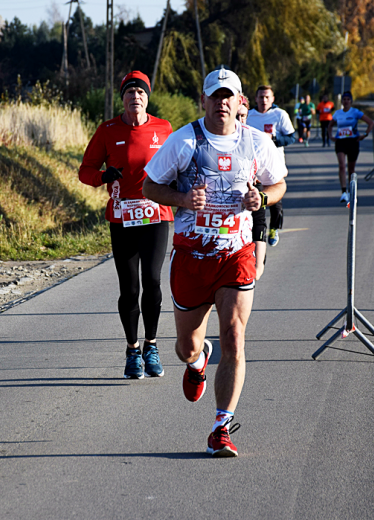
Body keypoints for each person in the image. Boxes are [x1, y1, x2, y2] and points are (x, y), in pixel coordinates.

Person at [143, 67, 287, 457]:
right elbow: (149, 185)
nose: (222, 102)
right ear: (203, 100)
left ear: (240, 102)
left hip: (235, 255)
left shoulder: (257, 143)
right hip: (191, 257)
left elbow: (279, 183)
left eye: (230, 96)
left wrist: (264, 199)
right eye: (215, 95)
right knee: (185, 348)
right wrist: (183, 200)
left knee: (235, 337)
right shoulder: (184, 141)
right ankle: (198, 361)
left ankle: (221, 428)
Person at [79, 71, 174, 379]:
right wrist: (102, 177)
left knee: (153, 280)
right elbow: (85, 170)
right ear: (122, 98)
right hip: (122, 217)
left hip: (156, 215)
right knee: (129, 287)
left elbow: (180, 166)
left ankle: (151, 345)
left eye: (141, 92)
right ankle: (132, 350)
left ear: (148, 98)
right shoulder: (107, 130)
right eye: (130, 92)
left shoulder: (164, 128)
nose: (136, 97)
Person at [246, 85, 296, 247]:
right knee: (256, 200)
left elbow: (291, 138)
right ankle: (255, 234)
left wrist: (273, 139)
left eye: (267, 97)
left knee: (275, 201)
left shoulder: (279, 115)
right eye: (261, 97)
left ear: (272, 99)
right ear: (256, 99)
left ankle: (274, 228)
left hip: (274, 165)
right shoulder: (249, 115)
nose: (264, 100)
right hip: (254, 166)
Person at [237, 96, 267, 280]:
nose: (239, 120)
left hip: (253, 193)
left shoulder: (256, 140)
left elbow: (280, 178)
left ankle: (260, 261)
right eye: (236, 115)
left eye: (243, 116)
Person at [328, 91, 374, 204]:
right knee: (342, 166)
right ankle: (344, 192)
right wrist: (331, 136)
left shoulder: (355, 112)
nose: (346, 101)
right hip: (340, 142)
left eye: (348, 99)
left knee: (351, 169)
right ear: (342, 101)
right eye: (344, 99)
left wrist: (365, 134)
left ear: (351, 101)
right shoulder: (337, 113)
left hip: (353, 142)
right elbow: (330, 125)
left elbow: (371, 123)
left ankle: (351, 191)